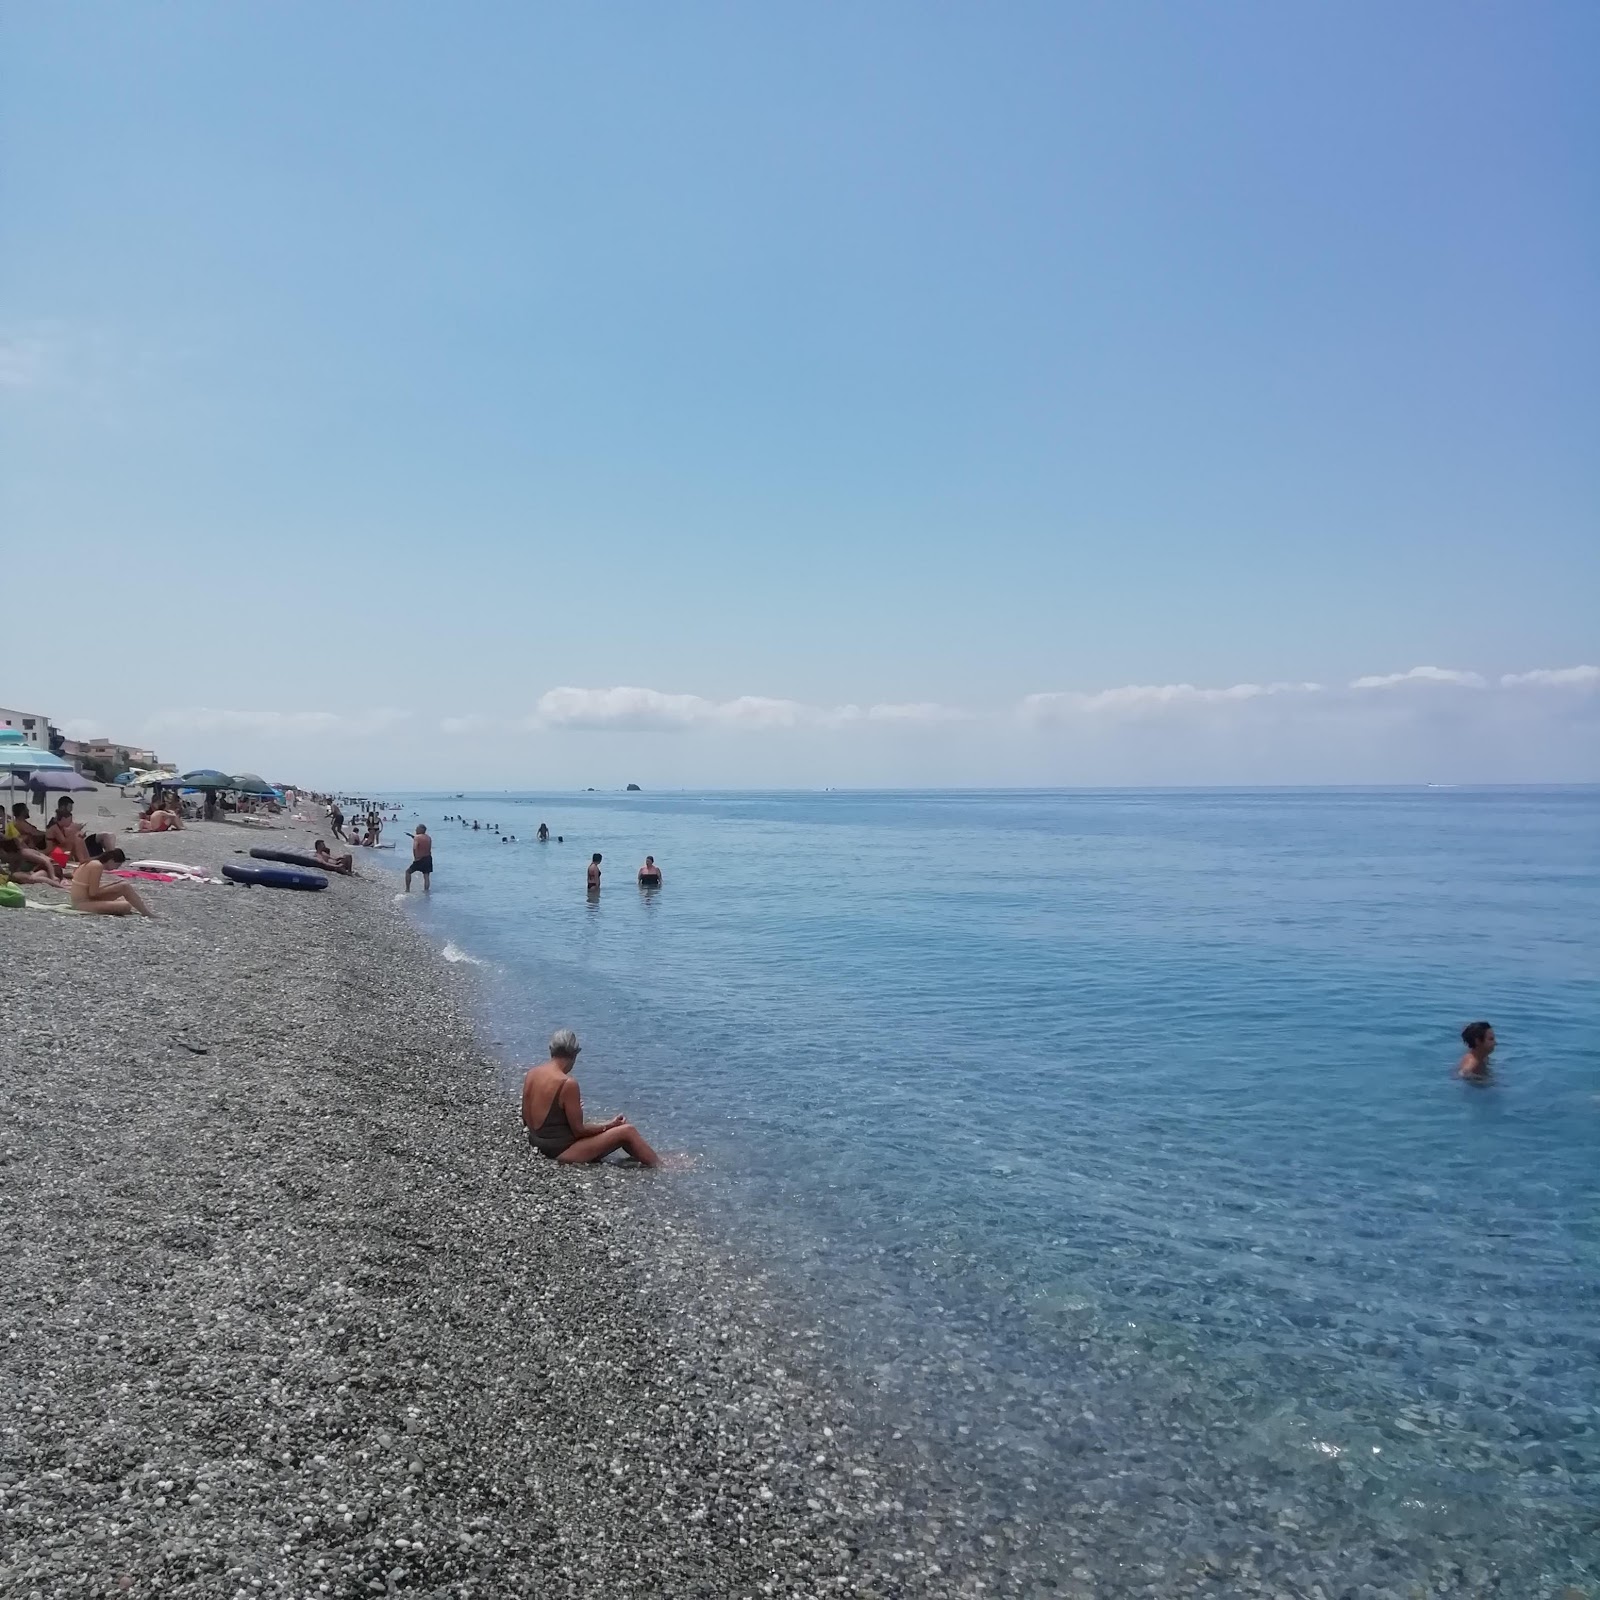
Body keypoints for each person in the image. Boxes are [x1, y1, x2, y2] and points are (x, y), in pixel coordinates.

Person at [520, 1030, 660, 1166]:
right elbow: (579, 1131)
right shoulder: (567, 1083)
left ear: (551, 1050)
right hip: (559, 1151)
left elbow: (526, 1118)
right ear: (574, 1053)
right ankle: (661, 1166)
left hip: (536, 1142)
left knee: (612, 1131)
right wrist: (610, 1125)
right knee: (627, 1131)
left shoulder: (532, 1073)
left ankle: (642, 1157)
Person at [69, 849, 154, 918]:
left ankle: (145, 912)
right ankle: (146, 913)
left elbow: (91, 891)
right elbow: (92, 893)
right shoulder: (96, 866)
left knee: (123, 886)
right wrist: (114, 887)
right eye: (117, 865)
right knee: (125, 905)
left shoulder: (93, 863)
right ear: (111, 861)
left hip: (83, 900)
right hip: (82, 904)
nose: (115, 868)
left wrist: (114, 886)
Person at [46, 798, 89, 863]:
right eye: (70, 820)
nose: (71, 822)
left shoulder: (61, 827)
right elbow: (64, 842)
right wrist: (75, 832)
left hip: (58, 851)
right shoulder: (55, 827)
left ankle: (85, 859)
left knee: (78, 838)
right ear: (63, 819)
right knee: (77, 839)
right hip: (53, 854)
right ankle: (84, 860)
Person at [405, 824, 434, 893]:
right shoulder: (428, 837)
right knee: (426, 875)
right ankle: (426, 892)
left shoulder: (417, 838)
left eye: (417, 829)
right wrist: (412, 836)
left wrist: (415, 857)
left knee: (408, 872)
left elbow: (415, 847)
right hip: (428, 858)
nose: (415, 830)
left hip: (419, 859)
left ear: (421, 830)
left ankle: (407, 889)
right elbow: (423, 843)